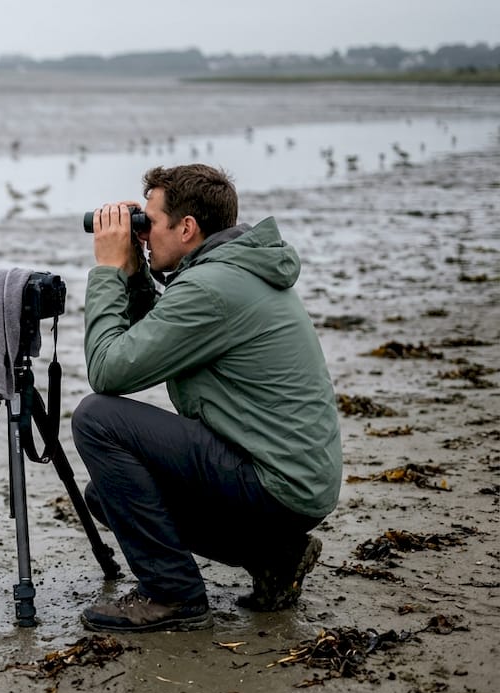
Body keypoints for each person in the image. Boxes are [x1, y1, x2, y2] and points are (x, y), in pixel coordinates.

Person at [72, 163, 341, 633]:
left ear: (188, 228)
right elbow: (149, 338)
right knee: (108, 496)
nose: (144, 234)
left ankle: (173, 594)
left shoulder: (211, 287)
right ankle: (276, 555)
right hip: (293, 481)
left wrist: (107, 271)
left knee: (97, 418)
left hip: (275, 481)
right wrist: (136, 273)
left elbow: (108, 371)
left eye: (149, 223)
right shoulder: (231, 273)